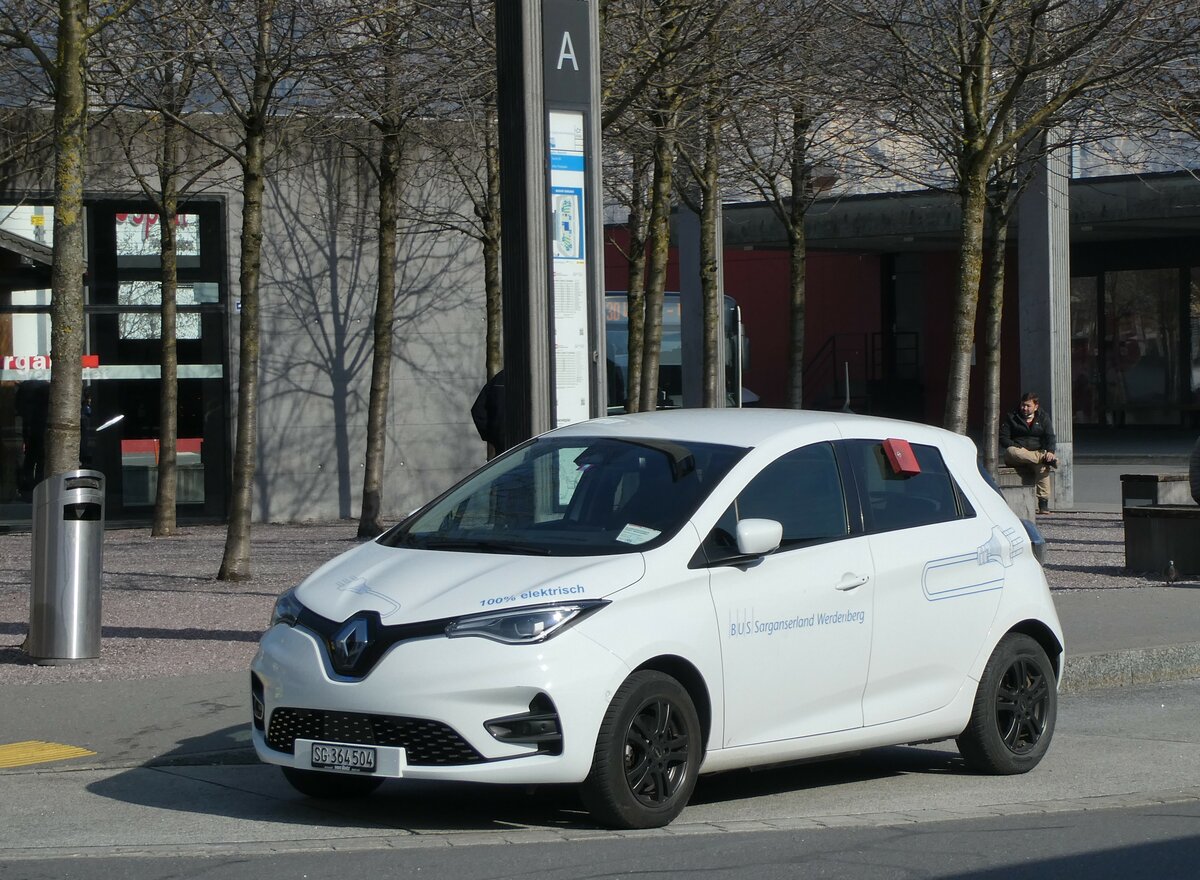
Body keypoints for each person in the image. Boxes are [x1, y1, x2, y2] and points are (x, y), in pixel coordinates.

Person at [1000, 391, 1058, 515]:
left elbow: (1050, 437)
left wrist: (1051, 451)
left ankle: (1043, 504)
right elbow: (1003, 439)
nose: (1024, 408)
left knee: (1043, 467)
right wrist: (1019, 448)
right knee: (1012, 451)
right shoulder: (1012, 416)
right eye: (1023, 405)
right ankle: (1042, 457)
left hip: (1036, 452)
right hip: (1016, 454)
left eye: (1028, 406)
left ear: (1036, 406)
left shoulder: (1043, 417)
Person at [470, 369, 508, 456]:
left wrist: (493, 436)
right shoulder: (531, 375)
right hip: (527, 441)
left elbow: (478, 410)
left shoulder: (498, 379)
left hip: (501, 441)